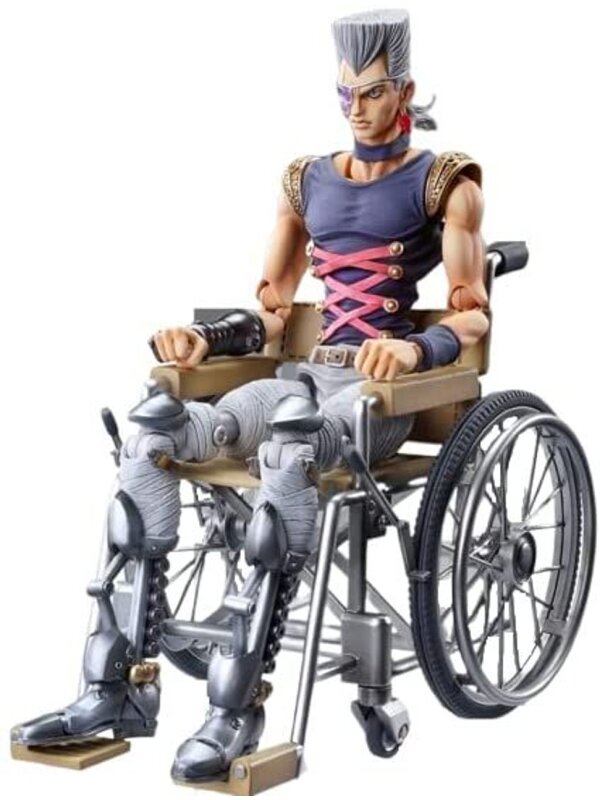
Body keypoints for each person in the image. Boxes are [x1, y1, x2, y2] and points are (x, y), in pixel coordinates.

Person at [12, 8, 490, 784]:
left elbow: (470, 314)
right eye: (345, 92)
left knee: (289, 447)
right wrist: (208, 340)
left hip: (381, 396)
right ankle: (117, 687)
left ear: (404, 92)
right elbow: (273, 312)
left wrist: (412, 347)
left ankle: (237, 707)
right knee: (156, 430)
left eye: (372, 91)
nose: (357, 107)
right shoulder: (307, 181)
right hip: (305, 376)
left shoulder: (446, 181)